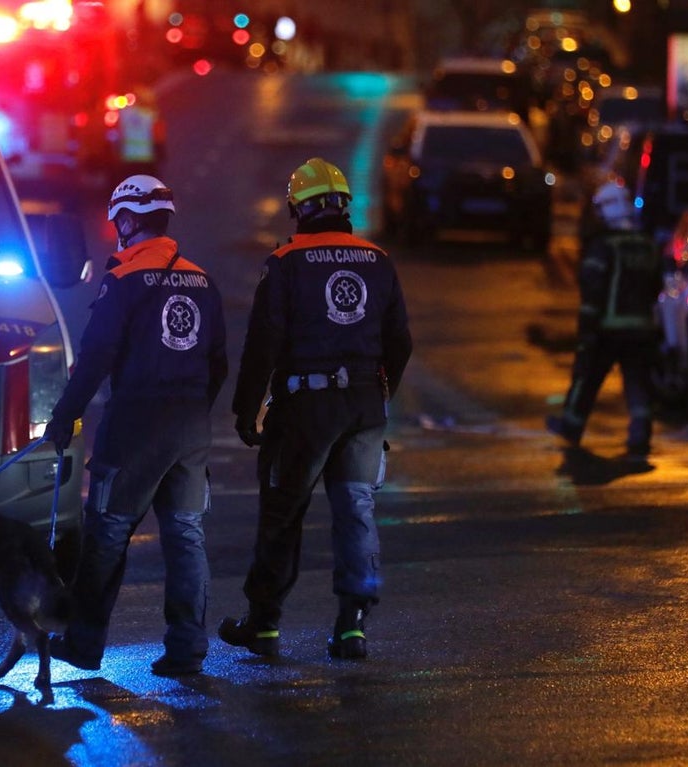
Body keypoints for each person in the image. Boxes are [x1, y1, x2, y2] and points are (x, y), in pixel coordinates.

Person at [219, 158, 413, 661]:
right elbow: (401, 342)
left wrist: (246, 411)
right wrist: (379, 392)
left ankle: (263, 625)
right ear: (345, 206)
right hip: (364, 406)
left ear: (297, 209)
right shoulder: (379, 260)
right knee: (356, 511)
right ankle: (352, 625)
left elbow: (264, 343)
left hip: (305, 408)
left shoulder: (286, 263)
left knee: (283, 513)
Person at [43, 174, 227, 677]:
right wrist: (192, 410)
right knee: (186, 535)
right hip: (190, 427)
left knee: (107, 534)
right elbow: (218, 363)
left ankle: (83, 644)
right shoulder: (201, 280)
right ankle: (187, 648)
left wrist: (64, 418)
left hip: (135, 426)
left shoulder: (122, 280)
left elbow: (97, 356)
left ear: (126, 220)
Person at [546, 180, 662, 456]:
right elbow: (656, 285)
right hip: (642, 329)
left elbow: (592, 291)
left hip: (607, 329)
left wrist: (587, 331)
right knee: (638, 382)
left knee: (587, 378)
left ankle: (571, 427)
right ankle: (640, 433)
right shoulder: (647, 245)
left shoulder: (602, 247)